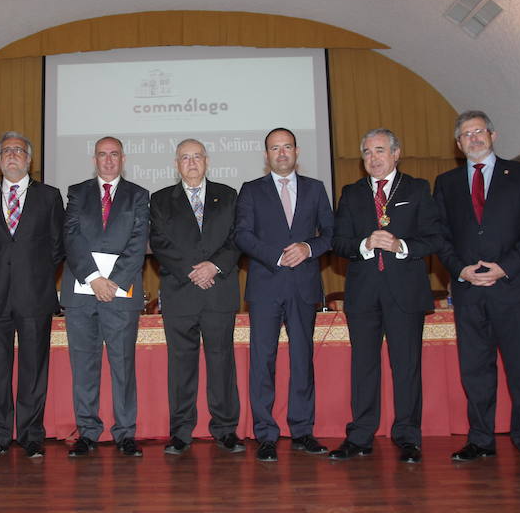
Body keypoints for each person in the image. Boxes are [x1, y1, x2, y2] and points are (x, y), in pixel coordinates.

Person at [434, 111, 520, 468]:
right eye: (465, 135)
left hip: (513, 288)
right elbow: (441, 235)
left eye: (479, 131)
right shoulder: (447, 182)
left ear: (493, 135)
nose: (473, 138)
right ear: (458, 144)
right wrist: (460, 270)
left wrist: (505, 268)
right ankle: (481, 439)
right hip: (469, 291)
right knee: (475, 370)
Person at [329, 129, 442, 464]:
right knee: (363, 367)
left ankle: (408, 436)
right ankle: (360, 435)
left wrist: (401, 246)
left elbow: (434, 238)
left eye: (379, 150)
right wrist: (365, 245)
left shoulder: (417, 188)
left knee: (406, 366)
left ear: (396, 153)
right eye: (366, 152)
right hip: (363, 293)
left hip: (405, 292)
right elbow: (339, 242)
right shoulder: (351, 194)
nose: (373, 158)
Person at [235, 127, 334, 462]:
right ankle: (266, 434)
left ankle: (303, 430)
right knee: (263, 362)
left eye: (286, 147)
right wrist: (276, 255)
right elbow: (242, 236)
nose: (281, 153)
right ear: (266, 156)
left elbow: (331, 234)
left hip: (304, 286)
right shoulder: (251, 190)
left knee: (302, 360)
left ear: (297, 151)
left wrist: (308, 247)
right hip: (265, 285)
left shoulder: (316, 189)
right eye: (274, 148)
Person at [0, 132, 65, 460]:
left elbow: (57, 247)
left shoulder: (50, 196)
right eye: (7, 151)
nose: (12, 155)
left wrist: (34, 274)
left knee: (33, 368)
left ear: (29, 159)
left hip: (34, 295)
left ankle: (30, 435)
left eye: (19, 151)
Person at [149, 139, 244, 455]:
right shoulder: (161, 199)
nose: (191, 162)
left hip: (219, 292)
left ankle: (226, 429)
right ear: (176, 163)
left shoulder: (228, 195)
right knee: (181, 366)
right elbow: (159, 243)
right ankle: (180, 432)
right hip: (181, 292)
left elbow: (237, 239)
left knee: (222, 363)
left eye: (197, 156)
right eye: (184, 157)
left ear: (207, 160)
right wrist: (191, 271)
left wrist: (213, 267)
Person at [61, 136, 149, 457]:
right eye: (102, 155)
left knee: (123, 365)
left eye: (114, 155)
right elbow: (70, 237)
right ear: (94, 159)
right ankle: (88, 432)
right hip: (82, 291)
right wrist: (94, 277)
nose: (108, 160)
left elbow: (138, 242)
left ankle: (125, 433)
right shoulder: (76, 192)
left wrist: (111, 282)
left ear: (123, 159)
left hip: (120, 294)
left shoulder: (138, 196)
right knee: (84, 366)